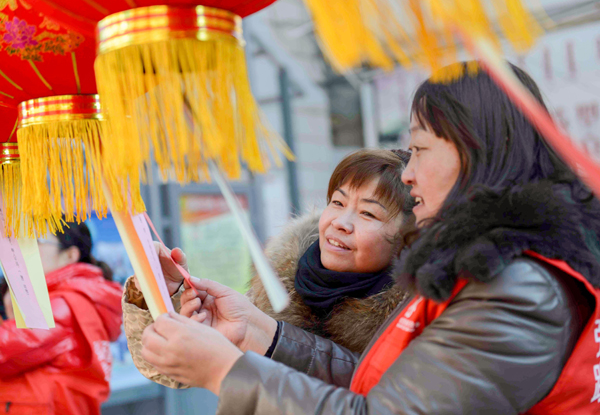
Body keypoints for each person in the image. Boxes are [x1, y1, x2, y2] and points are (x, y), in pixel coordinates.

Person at [141, 61, 600, 414]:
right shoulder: (482, 268)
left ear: (473, 151)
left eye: (419, 149)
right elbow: (381, 381)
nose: (412, 174)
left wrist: (226, 371)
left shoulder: (518, 287)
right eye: (338, 203)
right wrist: (260, 333)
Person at [121, 149, 416, 387]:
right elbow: (169, 372)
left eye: (367, 213)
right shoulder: (279, 281)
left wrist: (263, 335)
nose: (341, 222)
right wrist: (163, 293)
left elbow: (379, 392)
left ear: (408, 237)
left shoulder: (416, 315)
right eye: (337, 202)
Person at [0, 221, 123, 415]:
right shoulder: (79, 296)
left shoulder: (64, 304)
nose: (24, 248)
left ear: (70, 255)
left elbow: (5, 349)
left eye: (36, 241)